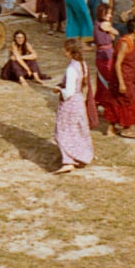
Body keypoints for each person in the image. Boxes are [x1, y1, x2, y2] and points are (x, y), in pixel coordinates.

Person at [51, 39, 95, 174]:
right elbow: (83, 83)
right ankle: (82, 155)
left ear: (70, 52)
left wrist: (58, 90)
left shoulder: (71, 69)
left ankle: (68, 161)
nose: (63, 51)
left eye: (65, 49)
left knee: (64, 131)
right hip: (79, 101)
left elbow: (69, 92)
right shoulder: (83, 64)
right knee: (77, 129)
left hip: (70, 103)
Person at [103, 18, 135, 139]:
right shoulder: (125, 42)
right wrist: (122, 83)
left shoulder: (134, 42)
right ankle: (127, 128)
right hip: (123, 77)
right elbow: (117, 63)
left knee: (119, 100)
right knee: (129, 100)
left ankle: (111, 127)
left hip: (130, 76)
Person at [92, 4, 118, 110]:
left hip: (104, 52)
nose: (110, 15)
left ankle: (100, 101)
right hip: (106, 54)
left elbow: (112, 36)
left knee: (102, 79)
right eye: (108, 13)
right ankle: (107, 102)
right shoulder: (103, 24)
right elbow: (115, 33)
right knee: (107, 78)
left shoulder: (97, 24)